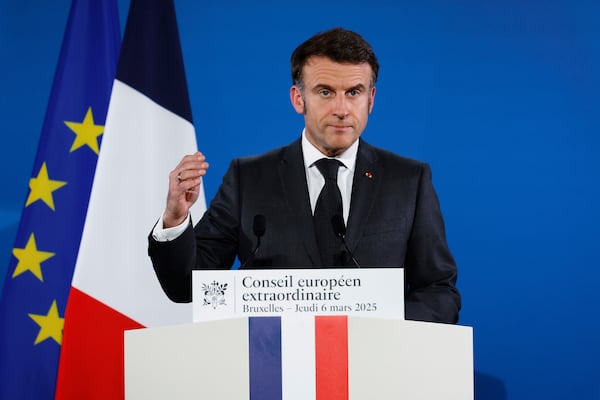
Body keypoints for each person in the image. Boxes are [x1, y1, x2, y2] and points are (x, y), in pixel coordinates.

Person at [148, 27, 461, 324]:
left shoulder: (408, 180)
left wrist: (386, 329)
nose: (341, 108)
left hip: (375, 368)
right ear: (299, 99)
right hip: (273, 367)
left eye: (354, 92)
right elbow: (187, 285)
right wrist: (175, 219)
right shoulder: (248, 178)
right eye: (325, 92)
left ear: (371, 100)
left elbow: (438, 290)